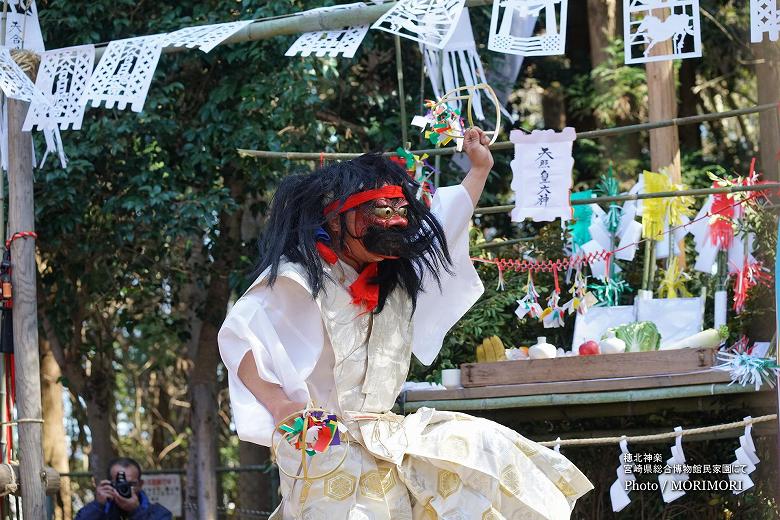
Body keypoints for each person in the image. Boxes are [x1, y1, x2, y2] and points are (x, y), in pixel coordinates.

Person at [219, 128, 593, 519]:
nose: (395, 223)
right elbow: (240, 333)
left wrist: (478, 170)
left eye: (399, 212)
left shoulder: (398, 279)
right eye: (381, 212)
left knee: (481, 455)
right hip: (323, 445)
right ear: (335, 219)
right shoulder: (299, 278)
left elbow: (446, 223)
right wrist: (281, 406)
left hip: (389, 439)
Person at [75, 457, 172, 520]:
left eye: (130, 484)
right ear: (109, 484)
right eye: (119, 483)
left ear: (140, 484)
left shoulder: (159, 513)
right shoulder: (101, 510)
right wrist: (98, 506)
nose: (125, 487)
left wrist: (136, 511)